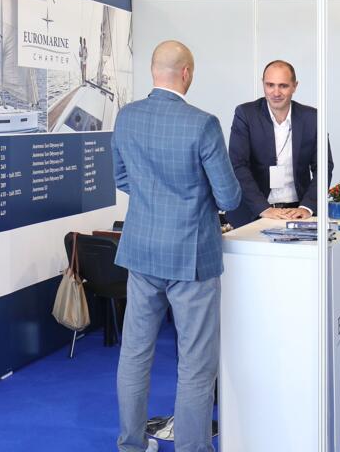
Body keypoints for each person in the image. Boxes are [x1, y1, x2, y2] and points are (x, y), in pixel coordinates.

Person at [112, 40, 241, 452]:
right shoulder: (203, 124)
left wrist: (156, 199)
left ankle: (131, 445)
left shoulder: (126, 116)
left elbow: (121, 178)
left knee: (134, 354)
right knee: (196, 364)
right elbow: (229, 196)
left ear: (154, 71)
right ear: (186, 73)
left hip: (142, 251)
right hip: (191, 257)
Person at [226, 60, 333, 227]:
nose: (276, 92)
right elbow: (238, 165)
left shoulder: (312, 118)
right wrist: (263, 208)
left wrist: (307, 207)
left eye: (283, 86)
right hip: (253, 211)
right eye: (270, 85)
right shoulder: (245, 114)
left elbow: (324, 166)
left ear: (295, 86)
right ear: (263, 84)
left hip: (298, 211)